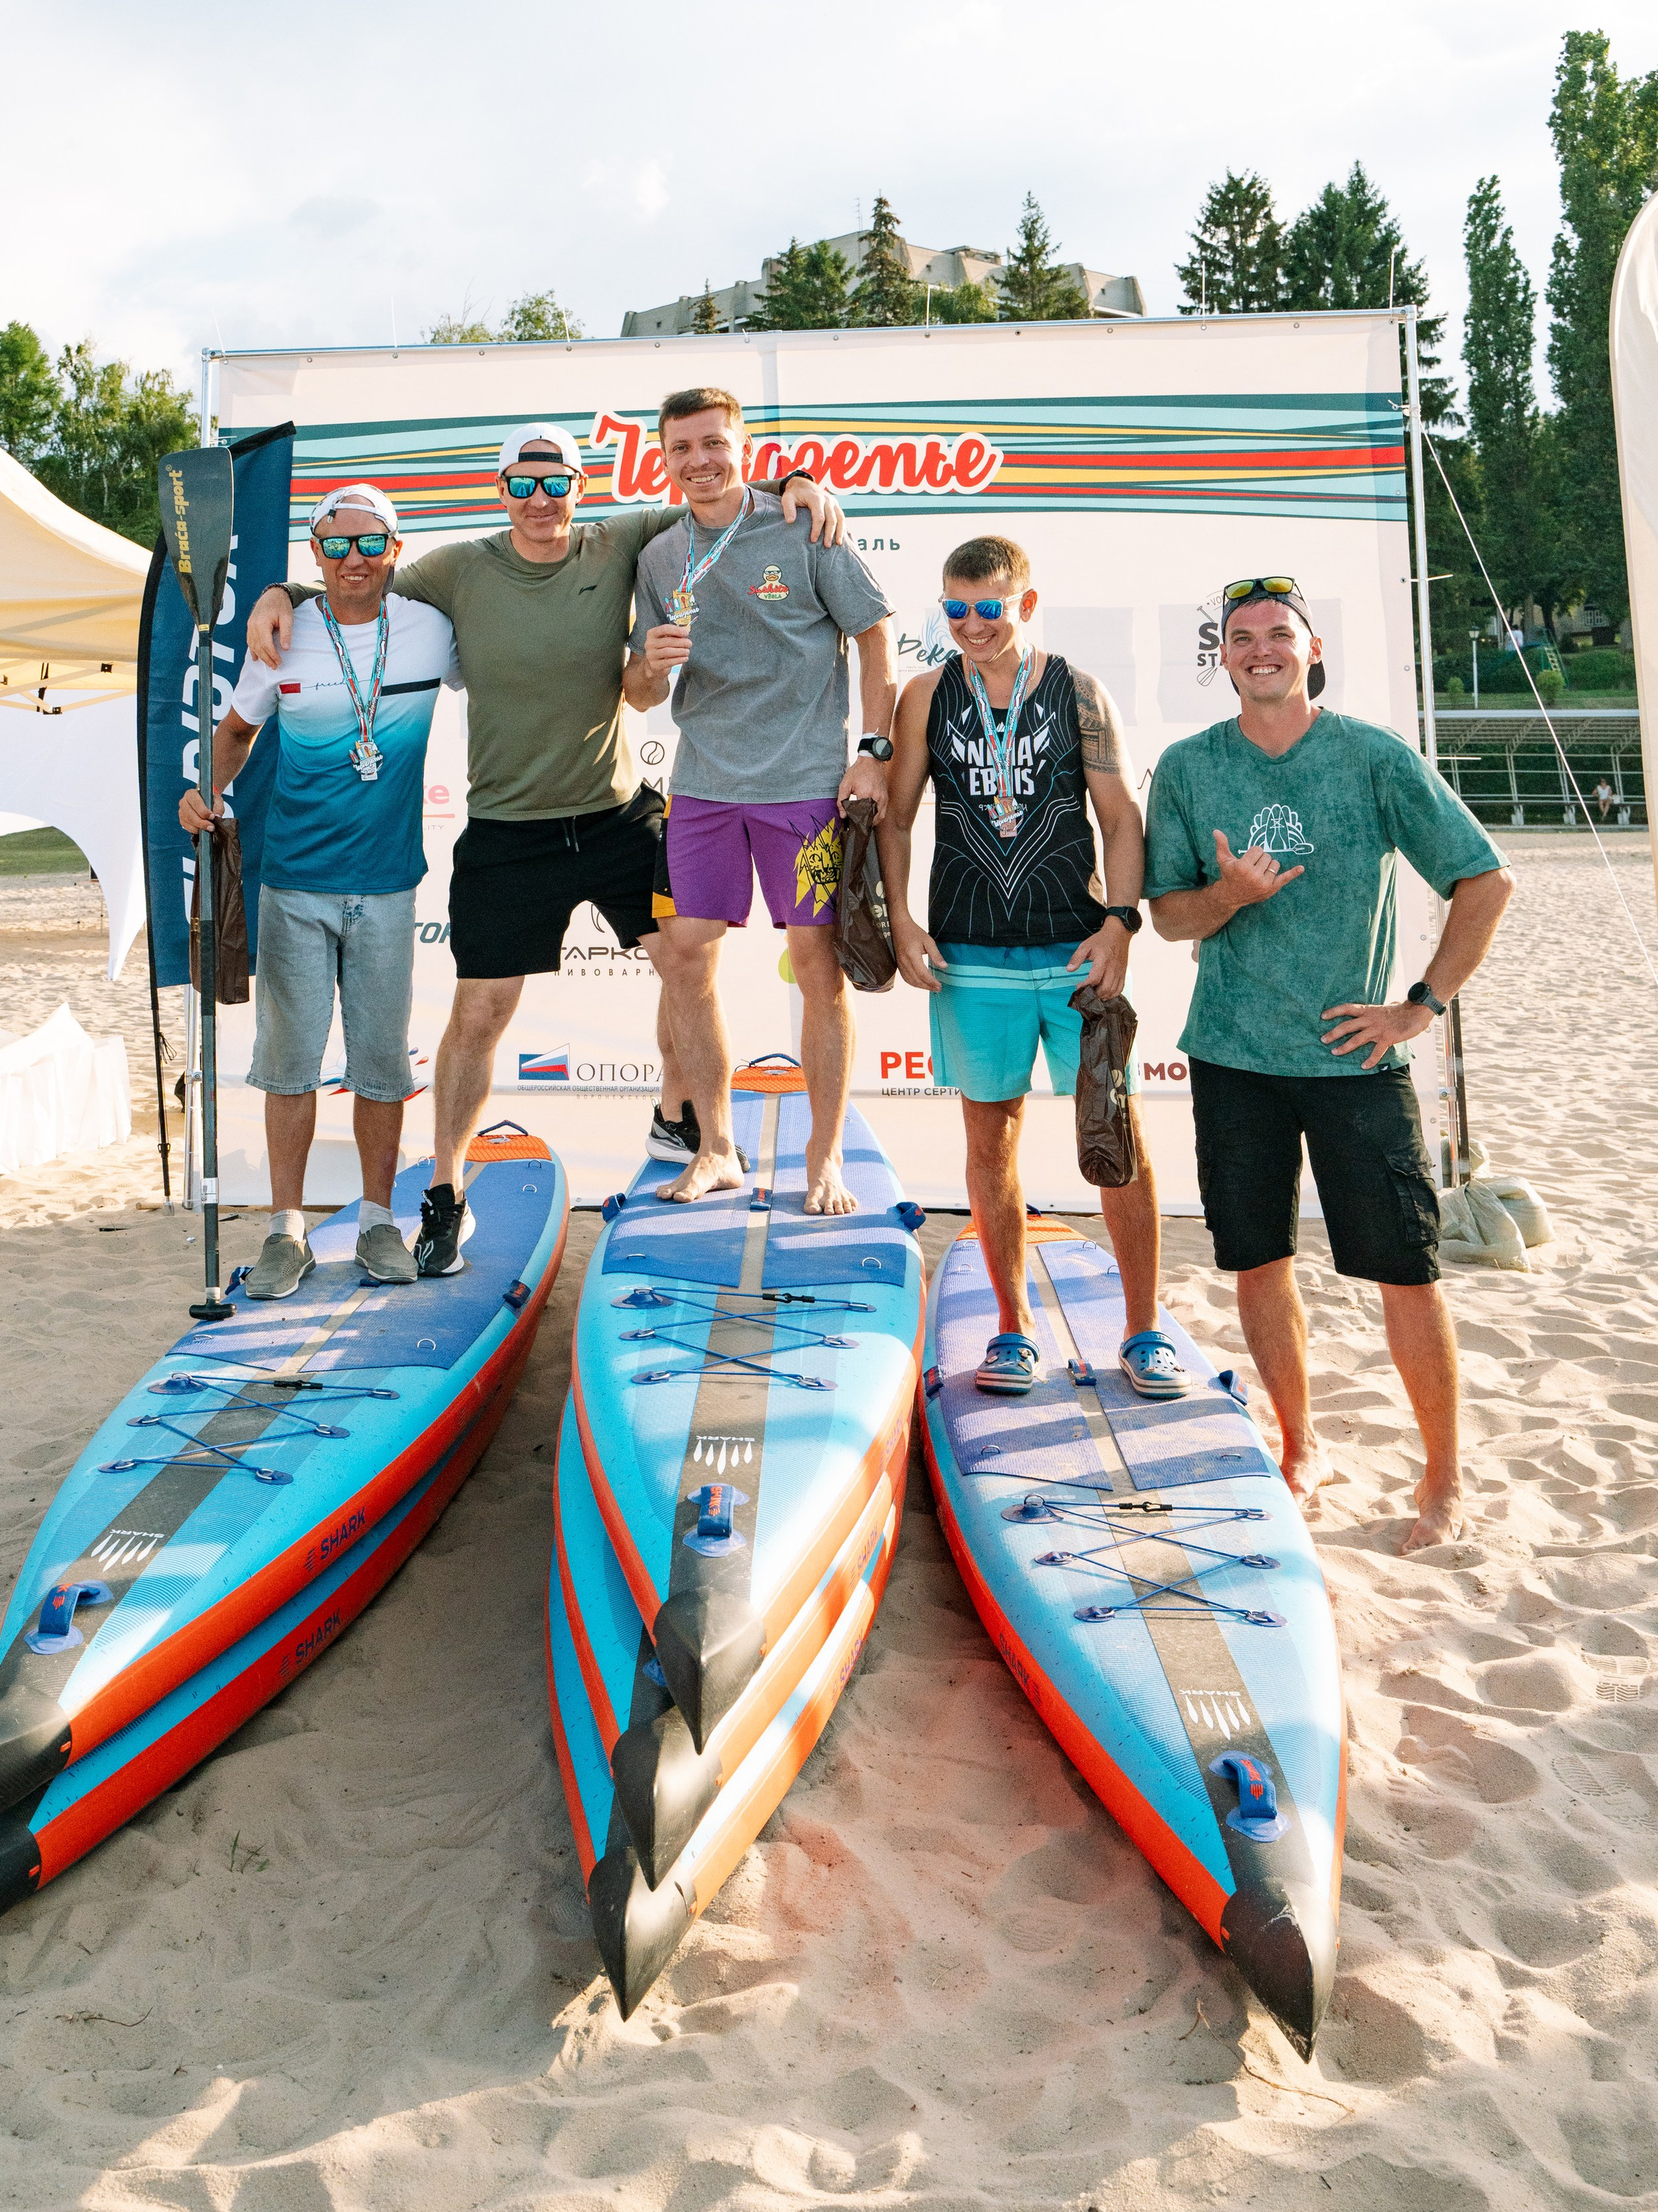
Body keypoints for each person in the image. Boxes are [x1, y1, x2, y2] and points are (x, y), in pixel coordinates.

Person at [246, 430, 843, 1272]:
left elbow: (713, 495)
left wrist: (799, 481)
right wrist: (279, 589)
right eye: (522, 484)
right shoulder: (456, 570)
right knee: (481, 1015)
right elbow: (358, 578)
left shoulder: (621, 537)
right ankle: (446, 1195)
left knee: (686, 960)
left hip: (614, 815)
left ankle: (701, 1134)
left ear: (577, 485)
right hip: (506, 831)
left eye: (554, 483)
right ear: (501, 490)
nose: (539, 499)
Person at [1145, 575, 1515, 1548]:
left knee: (1408, 1273)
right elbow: (1168, 913)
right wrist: (1227, 897)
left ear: (1311, 650)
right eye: (1240, 636)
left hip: (1356, 1063)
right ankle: (1299, 1445)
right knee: (1260, 1264)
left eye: (1278, 634)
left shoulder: (1372, 757)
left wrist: (1419, 1007)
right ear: (1221, 657)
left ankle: (1443, 1481)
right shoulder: (1188, 768)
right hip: (1233, 1056)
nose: (1259, 648)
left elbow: (1485, 878)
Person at [877, 536, 1184, 1399]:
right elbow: (896, 821)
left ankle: (1144, 1329)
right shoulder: (924, 695)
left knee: (1116, 1139)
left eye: (989, 608)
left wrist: (1121, 924)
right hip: (970, 954)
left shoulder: (1077, 690)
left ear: (1026, 604)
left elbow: (1121, 817)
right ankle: (1012, 1329)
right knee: (990, 1140)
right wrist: (901, 920)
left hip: (1075, 948)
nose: (972, 625)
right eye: (956, 609)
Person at [184, 484, 459, 1297]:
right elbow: (236, 731)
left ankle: (377, 1221)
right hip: (293, 884)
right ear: (315, 555)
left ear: (395, 550)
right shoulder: (283, 636)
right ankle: (285, 1232)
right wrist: (209, 791)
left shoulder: (432, 629)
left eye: (370, 543)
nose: (353, 559)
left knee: (379, 1069)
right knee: (289, 1068)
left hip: (385, 889)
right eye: (335, 546)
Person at [625, 388, 896, 1212]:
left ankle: (824, 1158)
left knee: (817, 971)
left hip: (803, 787)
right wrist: (653, 665)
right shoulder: (658, 557)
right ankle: (714, 1147)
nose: (699, 462)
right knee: (683, 958)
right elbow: (637, 695)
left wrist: (874, 752)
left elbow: (875, 633)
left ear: (740, 447)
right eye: (682, 449)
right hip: (704, 786)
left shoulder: (801, 522)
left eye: (714, 444)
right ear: (662, 458)